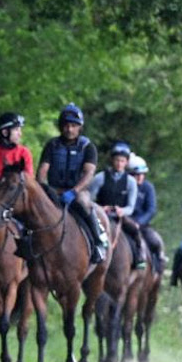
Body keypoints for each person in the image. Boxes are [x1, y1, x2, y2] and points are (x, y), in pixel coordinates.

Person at [37, 103, 108, 263]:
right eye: (66, 125)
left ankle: (97, 241)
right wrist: (43, 189)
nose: (69, 129)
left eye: (73, 126)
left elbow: (89, 173)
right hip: (54, 189)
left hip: (77, 191)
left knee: (84, 202)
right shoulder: (52, 145)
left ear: (79, 127)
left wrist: (74, 191)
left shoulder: (87, 147)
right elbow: (42, 170)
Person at [89, 142, 143, 269]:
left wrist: (121, 211)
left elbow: (131, 206)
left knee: (135, 230)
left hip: (119, 216)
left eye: (122, 161)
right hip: (100, 215)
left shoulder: (130, 182)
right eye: (117, 160)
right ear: (112, 160)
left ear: (126, 162)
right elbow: (89, 199)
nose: (119, 164)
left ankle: (138, 257)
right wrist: (100, 208)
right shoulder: (100, 178)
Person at [129, 154, 166, 274]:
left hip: (141, 224)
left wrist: (139, 222)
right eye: (136, 174)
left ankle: (158, 267)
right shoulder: (125, 186)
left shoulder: (148, 188)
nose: (140, 177)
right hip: (123, 221)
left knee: (156, 241)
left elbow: (151, 210)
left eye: (142, 174)